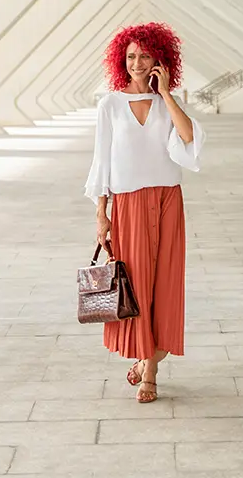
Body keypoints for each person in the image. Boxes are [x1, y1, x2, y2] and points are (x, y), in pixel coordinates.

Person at [84, 22, 204, 404]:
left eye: (145, 56)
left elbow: (188, 138)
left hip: (168, 200)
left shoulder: (166, 105)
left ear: (159, 60)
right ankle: (145, 364)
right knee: (137, 289)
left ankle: (148, 368)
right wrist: (102, 215)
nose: (137, 62)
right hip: (129, 205)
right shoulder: (110, 105)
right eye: (131, 56)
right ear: (123, 59)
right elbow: (101, 162)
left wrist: (166, 93)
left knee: (164, 289)